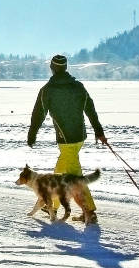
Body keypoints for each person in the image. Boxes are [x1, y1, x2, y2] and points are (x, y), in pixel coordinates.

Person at [28, 54, 106, 224]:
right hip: (79, 137)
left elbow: (38, 114)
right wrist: (99, 131)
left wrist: (32, 133)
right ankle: (51, 206)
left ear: (52, 68)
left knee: (75, 179)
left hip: (66, 140)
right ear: (65, 67)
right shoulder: (78, 87)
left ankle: (90, 212)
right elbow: (90, 110)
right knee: (59, 173)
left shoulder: (48, 90)